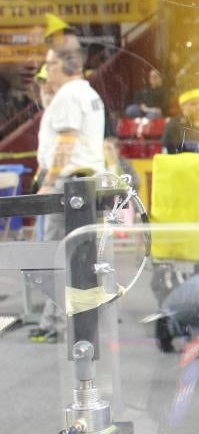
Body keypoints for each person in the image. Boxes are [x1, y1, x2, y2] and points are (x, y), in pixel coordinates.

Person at [30, 39, 106, 344]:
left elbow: (66, 142)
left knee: (58, 255)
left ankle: (58, 324)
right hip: (86, 183)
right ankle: (69, 322)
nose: (46, 72)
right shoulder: (87, 93)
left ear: (68, 65)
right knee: (80, 258)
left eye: (50, 65)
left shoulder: (69, 95)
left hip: (69, 185)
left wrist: (47, 183)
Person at [163, 89, 199, 154]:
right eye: (193, 104)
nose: (198, 107)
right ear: (182, 106)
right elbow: (171, 152)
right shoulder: (174, 126)